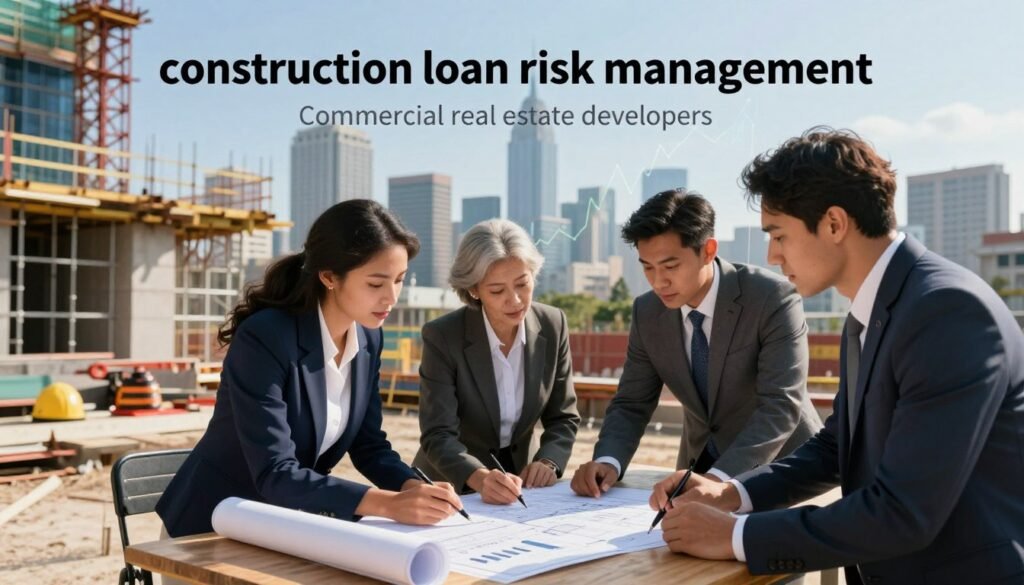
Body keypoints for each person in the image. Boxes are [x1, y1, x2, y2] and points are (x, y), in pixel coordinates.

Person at [653, 128, 1024, 584]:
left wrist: (736, 537)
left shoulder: (945, 312)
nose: (771, 254)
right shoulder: (873, 311)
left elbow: (903, 511)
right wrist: (731, 494)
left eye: (779, 234)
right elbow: (837, 446)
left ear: (833, 223)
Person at [157, 199, 463, 539]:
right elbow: (276, 471)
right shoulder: (266, 337)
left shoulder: (369, 340)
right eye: (376, 284)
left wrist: (415, 488)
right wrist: (390, 505)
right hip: (212, 526)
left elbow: (370, 446)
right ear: (330, 276)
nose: (391, 298)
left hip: (286, 525)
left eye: (400, 280)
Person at [571, 190, 821, 498]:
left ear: (708, 250)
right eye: (647, 267)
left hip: (782, 468)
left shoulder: (771, 298)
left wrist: (716, 481)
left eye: (670, 266)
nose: (658, 281)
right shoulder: (647, 311)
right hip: (695, 466)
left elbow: (780, 406)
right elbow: (632, 402)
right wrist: (608, 460)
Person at [413, 219, 581, 504]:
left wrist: (549, 462)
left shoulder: (553, 324)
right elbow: (438, 434)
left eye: (522, 284)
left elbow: (563, 417)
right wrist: (479, 477)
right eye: (497, 290)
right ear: (475, 290)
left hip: (522, 489)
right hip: (448, 486)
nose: (515, 300)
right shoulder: (442, 336)